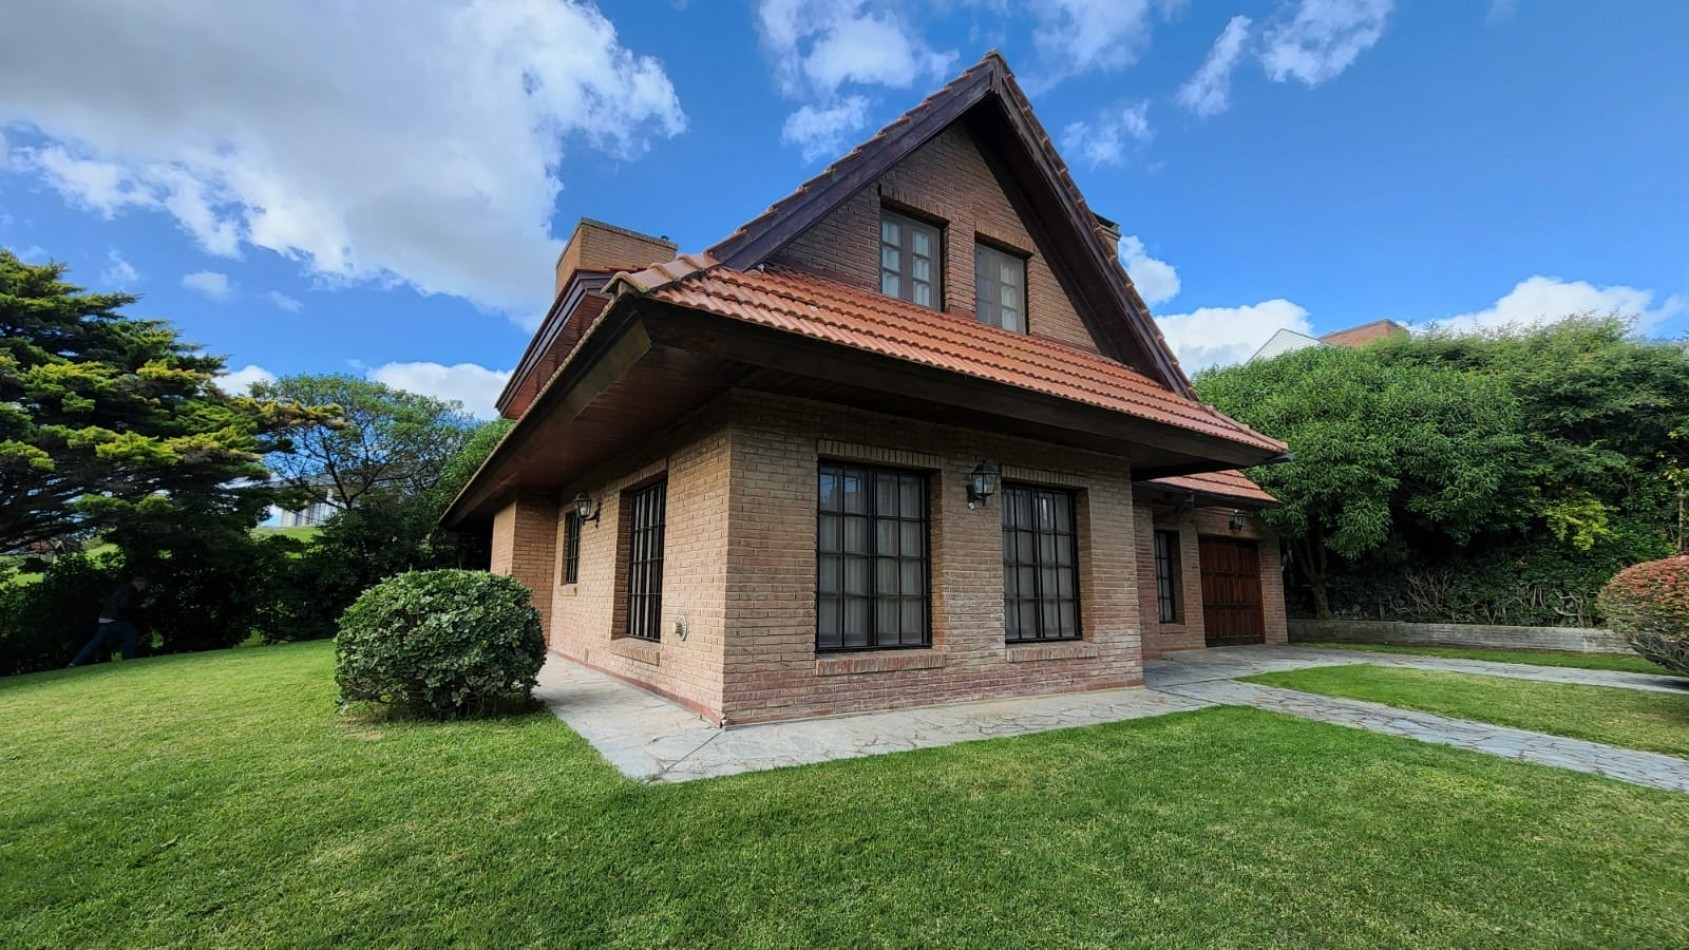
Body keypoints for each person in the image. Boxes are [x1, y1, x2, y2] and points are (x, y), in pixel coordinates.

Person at [68, 575, 152, 667]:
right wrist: (141, 606)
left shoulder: (123, 589)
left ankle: (75, 662)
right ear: (139, 583)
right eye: (143, 586)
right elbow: (124, 605)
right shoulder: (130, 591)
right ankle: (129, 659)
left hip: (105, 618)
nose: (143, 589)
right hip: (115, 619)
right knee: (132, 635)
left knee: (95, 641)